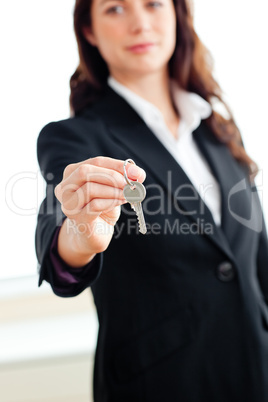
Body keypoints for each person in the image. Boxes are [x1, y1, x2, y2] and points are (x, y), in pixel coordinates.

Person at [35, 0, 268, 401]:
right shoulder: (75, 138)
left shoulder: (217, 128)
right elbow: (58, 243)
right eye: (115, 9)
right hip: (162, 385)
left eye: (153, 4)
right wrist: (79, 236)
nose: (140, 23)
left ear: (177, 15)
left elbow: (254, 255)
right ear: (88, 31)